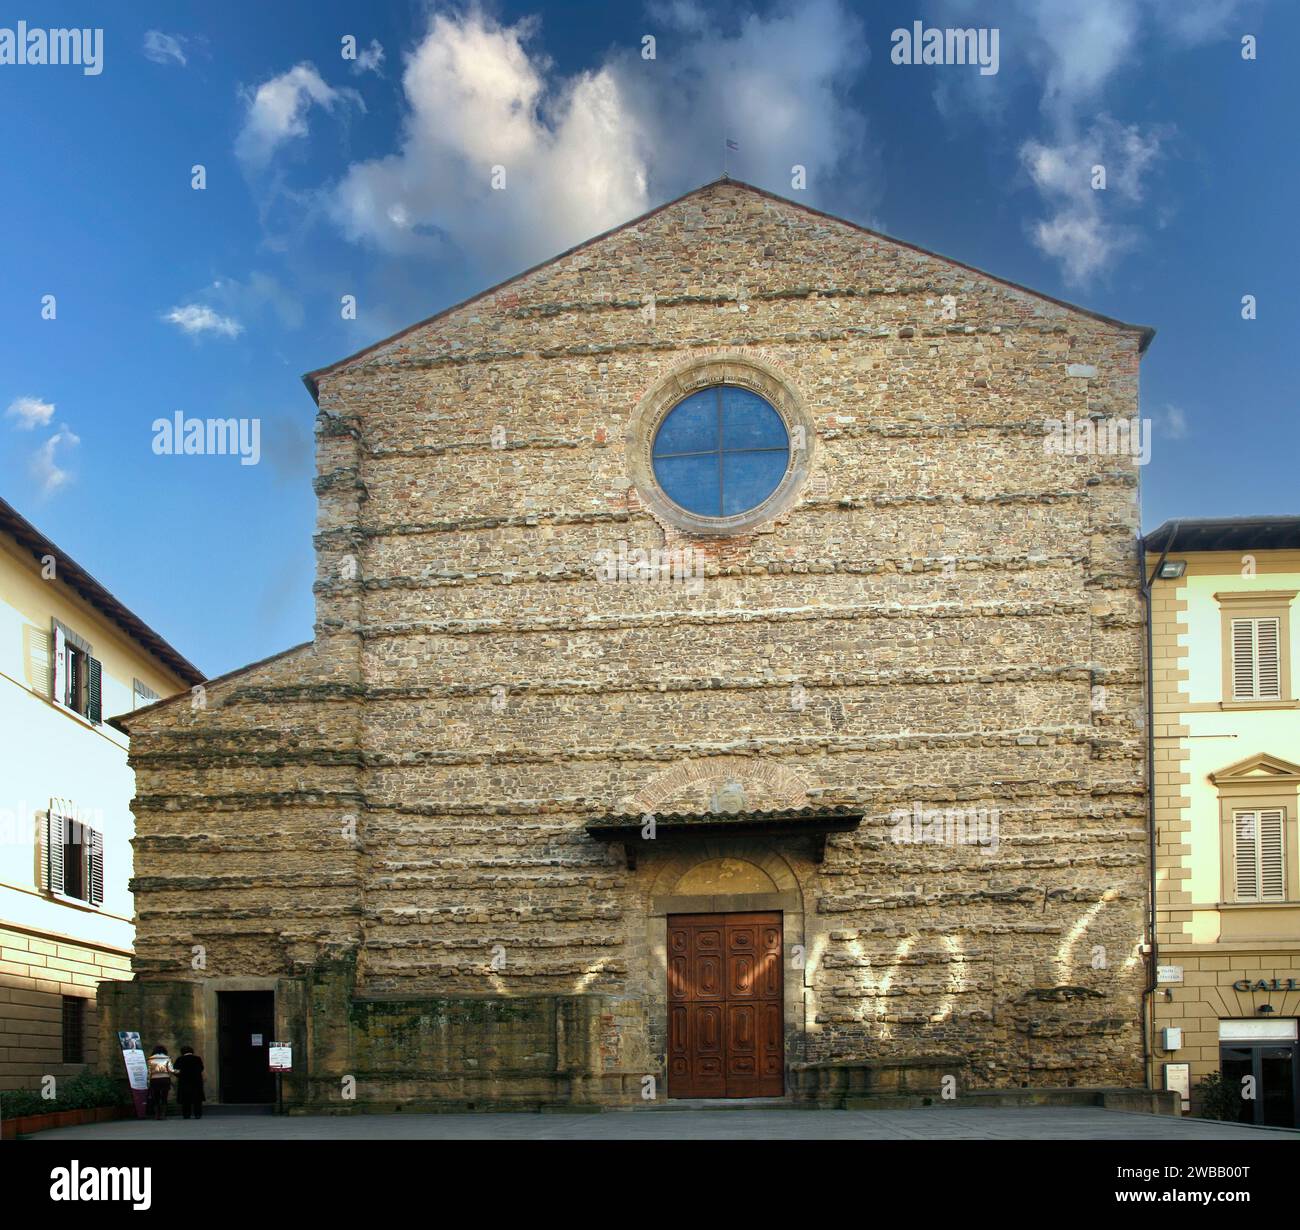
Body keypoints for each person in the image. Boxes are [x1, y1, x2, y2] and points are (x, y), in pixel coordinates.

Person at [174, 1046, 205, 1120]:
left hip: (184, 1081)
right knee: (197, 1099)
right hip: (196, 1081)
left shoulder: (180, 1059)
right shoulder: (197, 1058)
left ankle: (186, 1114)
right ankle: (197, 1114)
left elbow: (175, 1070)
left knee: (185, 1099)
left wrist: (180, 1076)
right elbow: (201, 1068)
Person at [146, 1046, 175, 1121]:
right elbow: (171, 1070)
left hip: (154, 1079)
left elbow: (149, 1072)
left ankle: (156, 1115)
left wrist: (148, 1081)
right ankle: (163, 1114)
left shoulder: (150, 1059)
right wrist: (178, 1071)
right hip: (165, 1079)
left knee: (156, 1097)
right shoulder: (167, 1058)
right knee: (164, 1097)